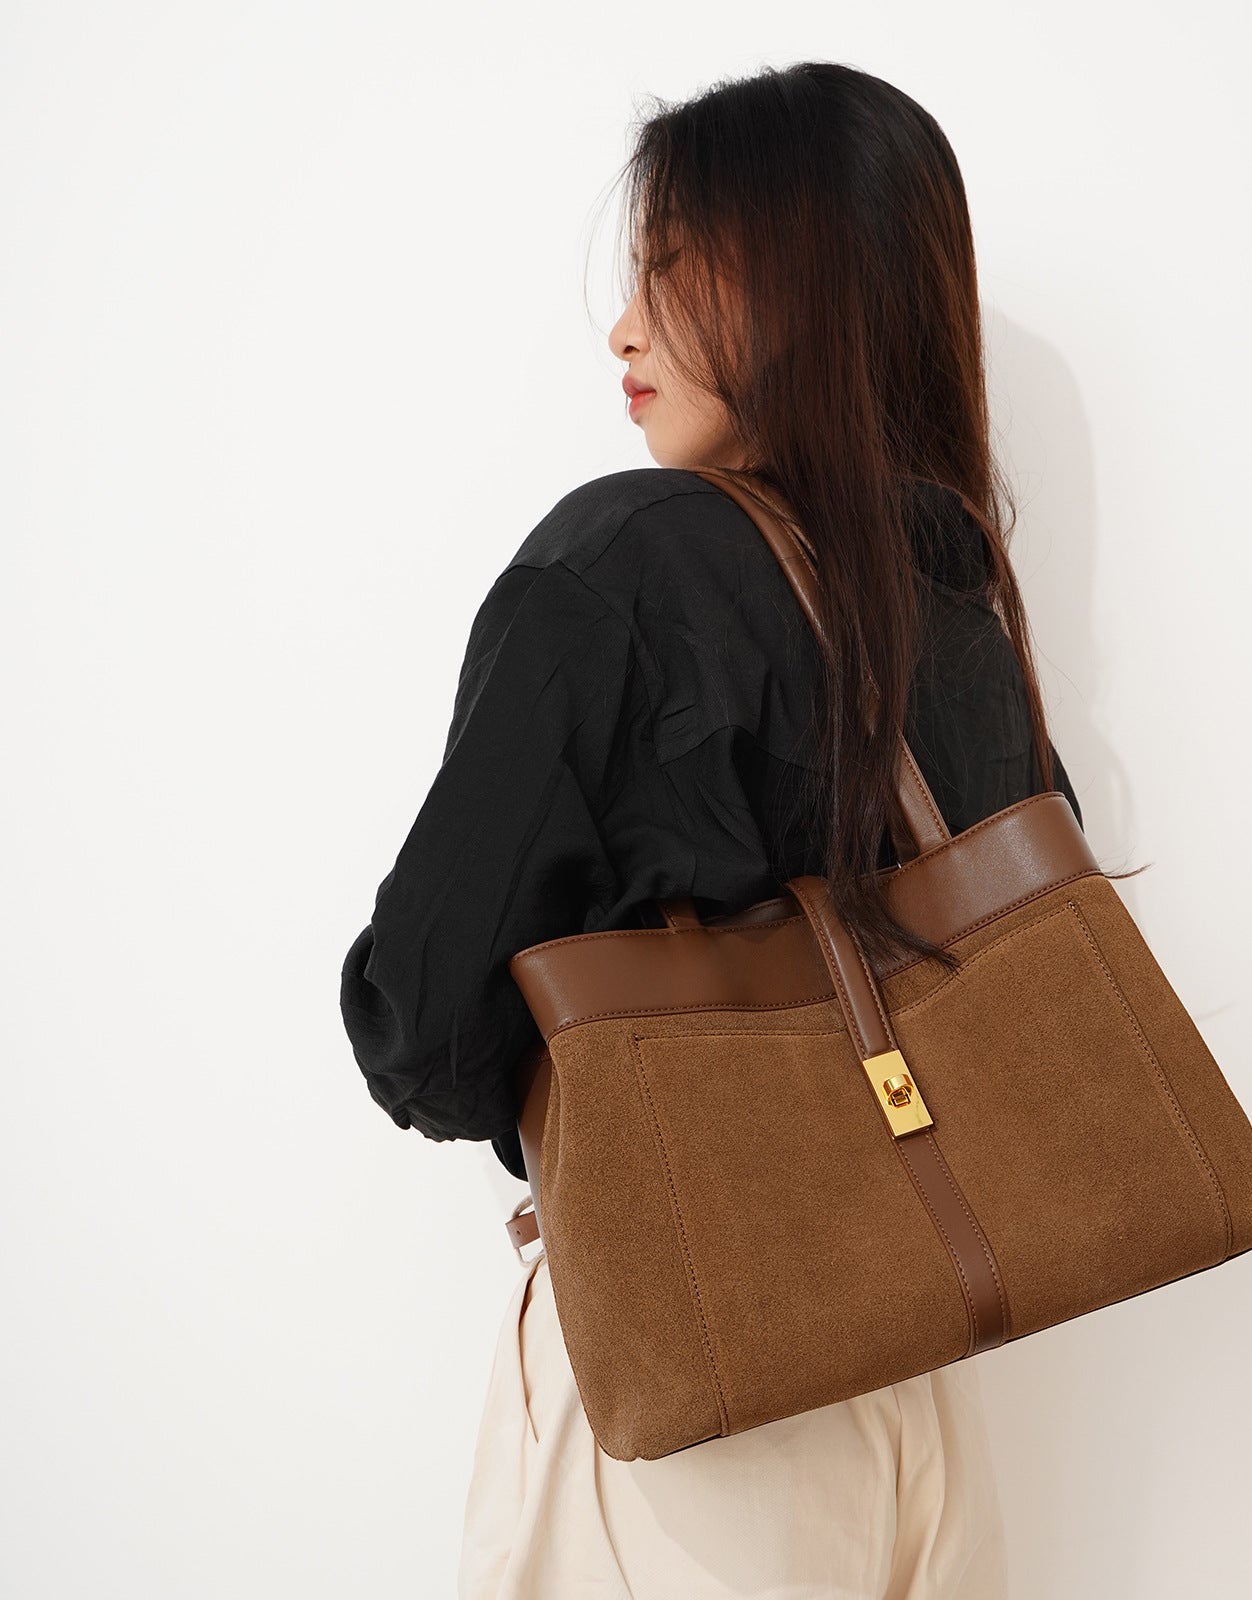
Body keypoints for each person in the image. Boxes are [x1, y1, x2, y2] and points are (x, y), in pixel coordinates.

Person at [340, 60, 1083, 1600]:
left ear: (806, 284)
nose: (624, 328)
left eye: (673, 267)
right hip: (925, 1391)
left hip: (691, 1407)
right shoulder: (950, 587)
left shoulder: (624, 560)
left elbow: (427, 1017)